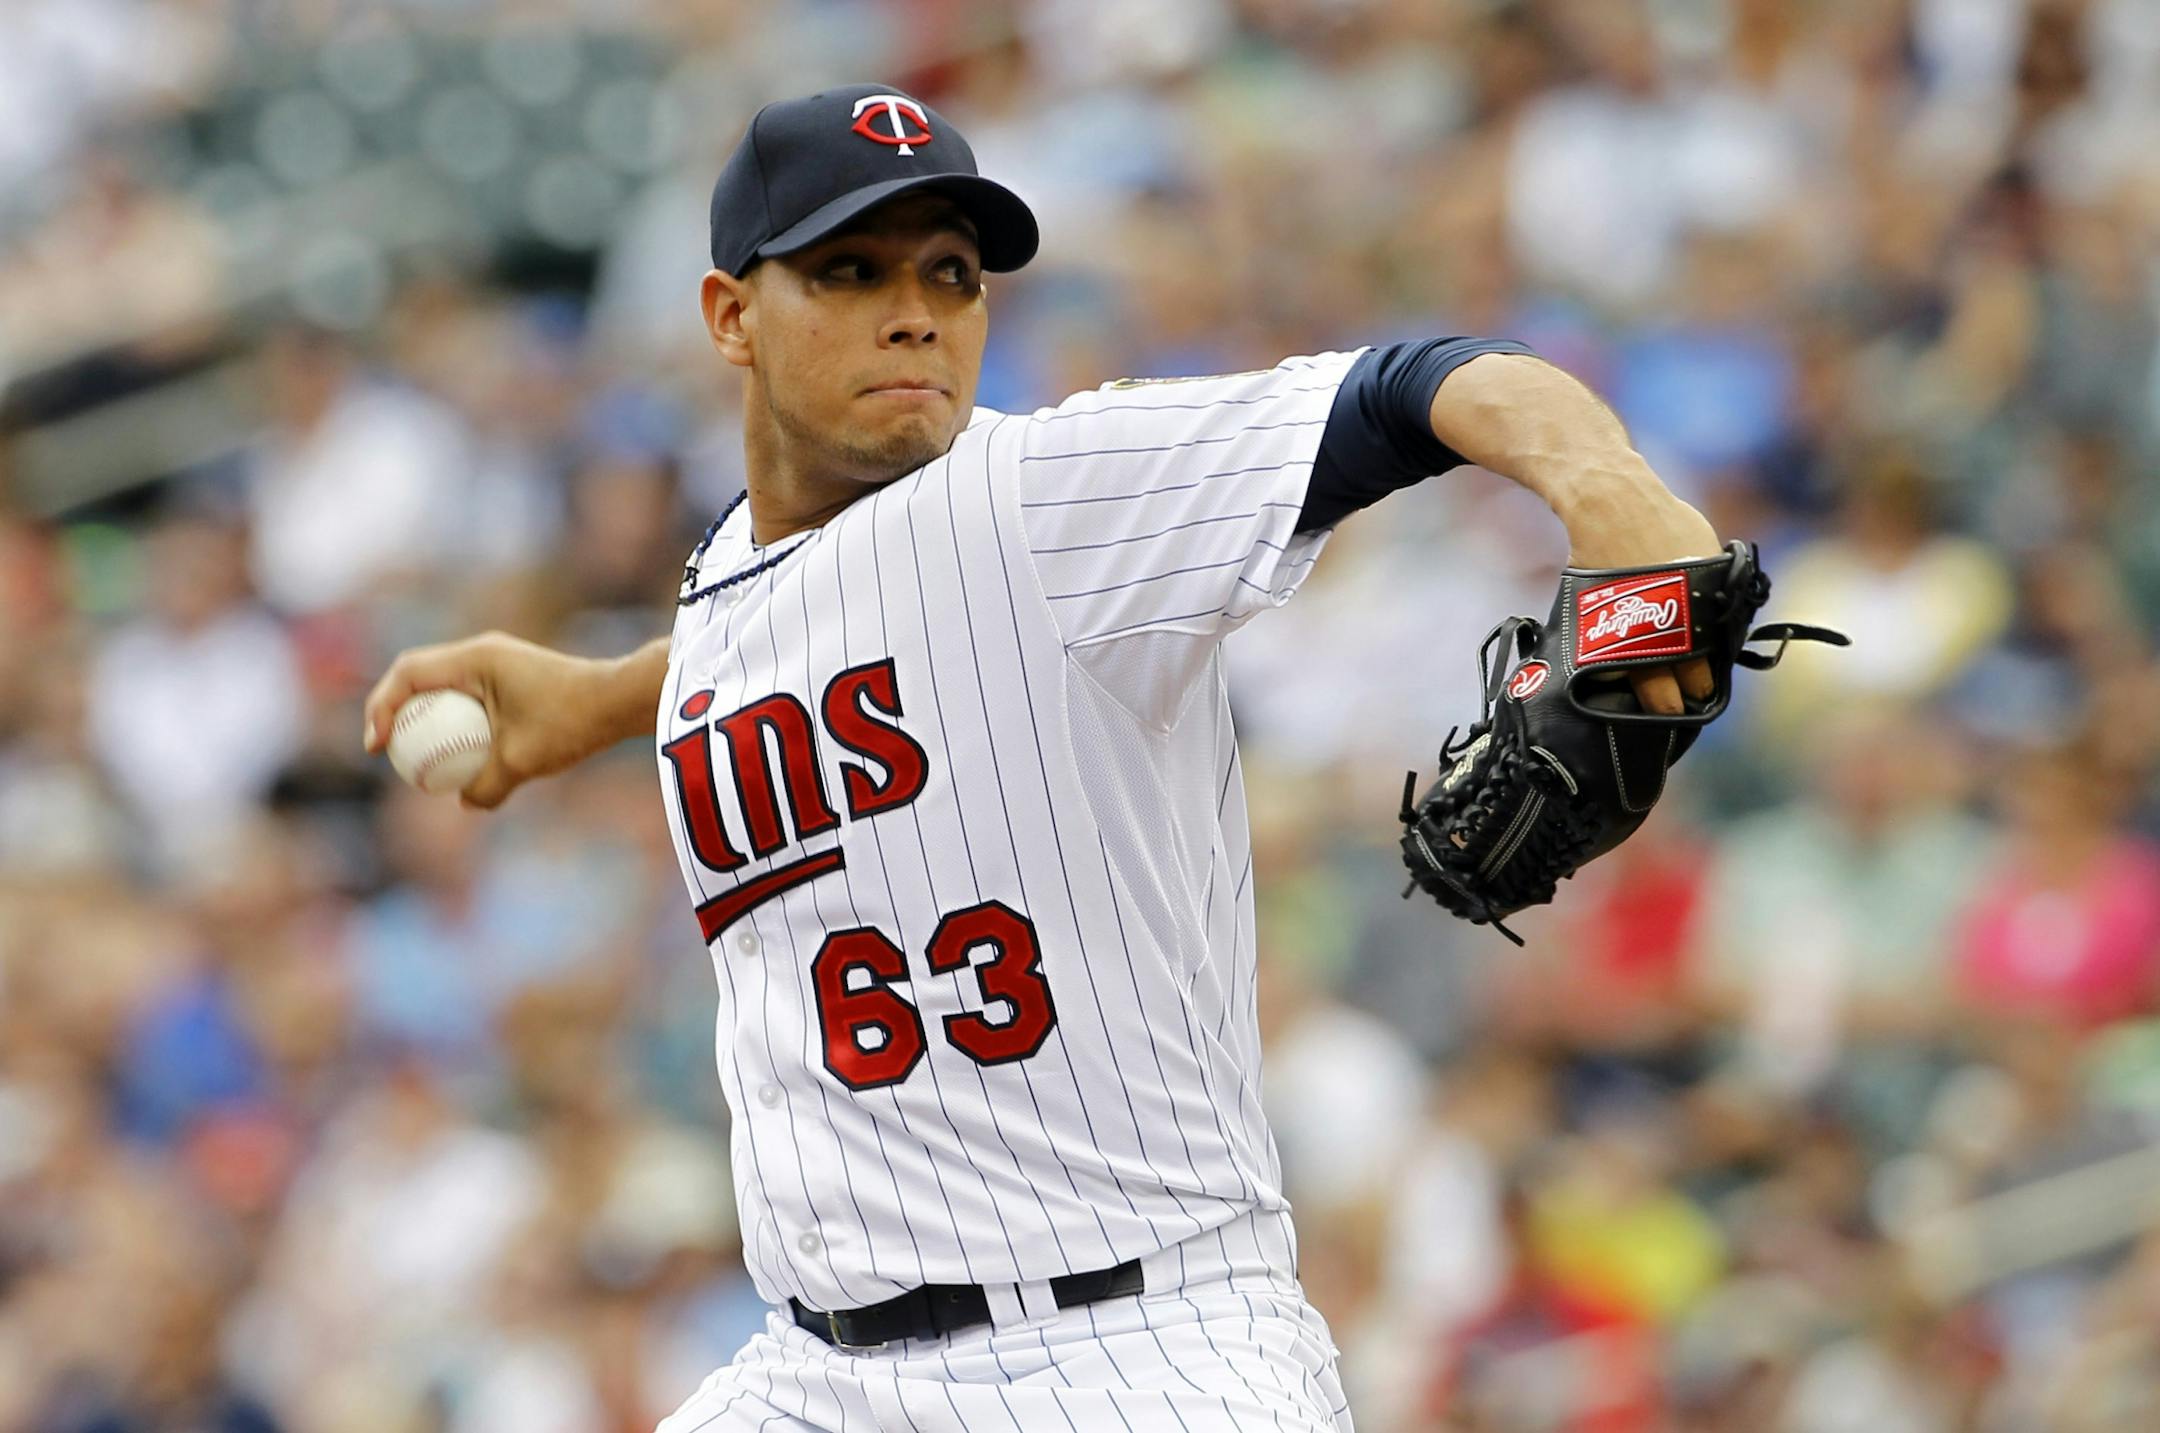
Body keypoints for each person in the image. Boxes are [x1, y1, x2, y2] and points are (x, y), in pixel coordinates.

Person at [363, 83, 1720, 1432]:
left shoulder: (1049, 494)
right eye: (850, 269)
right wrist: (605, 699)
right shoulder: (728, 579)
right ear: (730, 315)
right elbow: (836, 636)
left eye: (950, 275)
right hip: (823, 1376)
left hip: (1135, 1348)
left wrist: (1614, 499)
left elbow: (1423, 388)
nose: (915, 311)